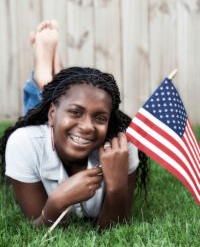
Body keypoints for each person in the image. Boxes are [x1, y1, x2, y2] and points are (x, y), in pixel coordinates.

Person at [0, 21, 149, 230]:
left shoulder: (121, 145)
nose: (88, 127)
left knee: (64, 95)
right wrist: (56, 201)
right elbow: (36, 227)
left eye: (100, 117)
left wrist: (116, 186)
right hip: (49, 124)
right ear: (52, 115)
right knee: (40, 104)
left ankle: (53, 79)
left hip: (60, 117)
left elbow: (116, 226)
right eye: (76, 112)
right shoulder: (25, 143)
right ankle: (42, 73)